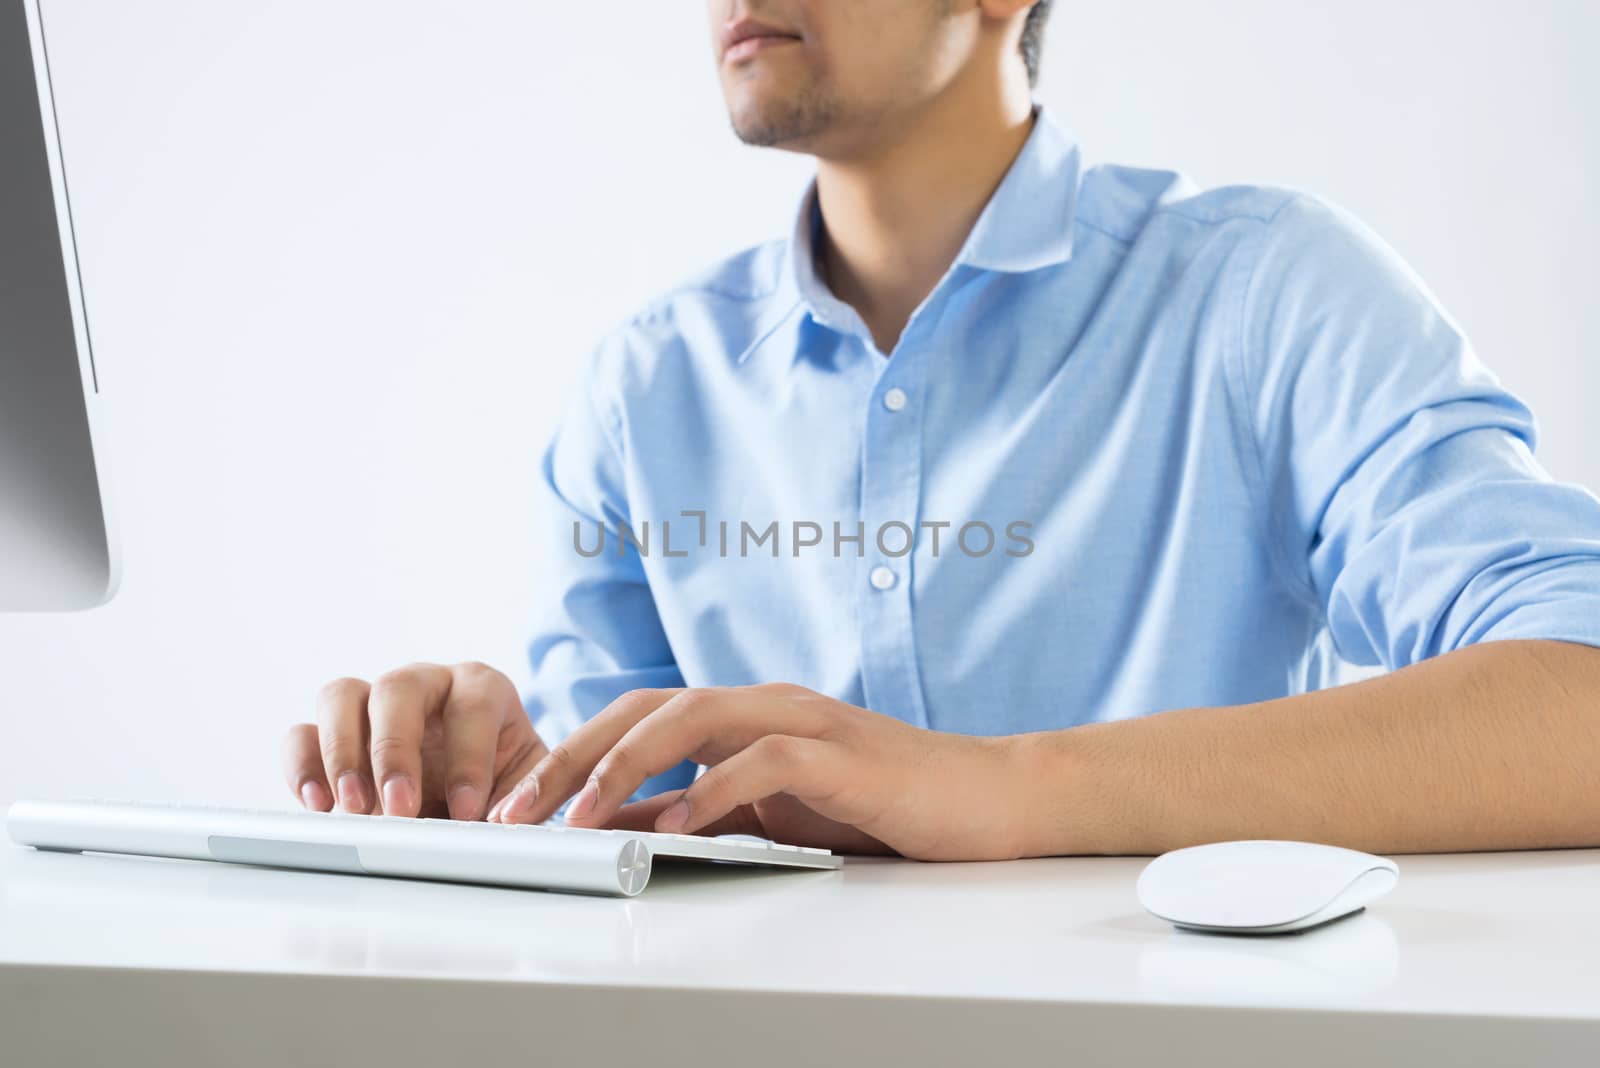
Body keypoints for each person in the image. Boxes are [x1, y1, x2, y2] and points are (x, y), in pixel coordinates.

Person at [282, 0, 1600, 860]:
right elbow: (620, 845)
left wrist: (994, 789)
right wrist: (492, 783)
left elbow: (1578, 702)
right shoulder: (645, 387)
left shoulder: (1265, 290)